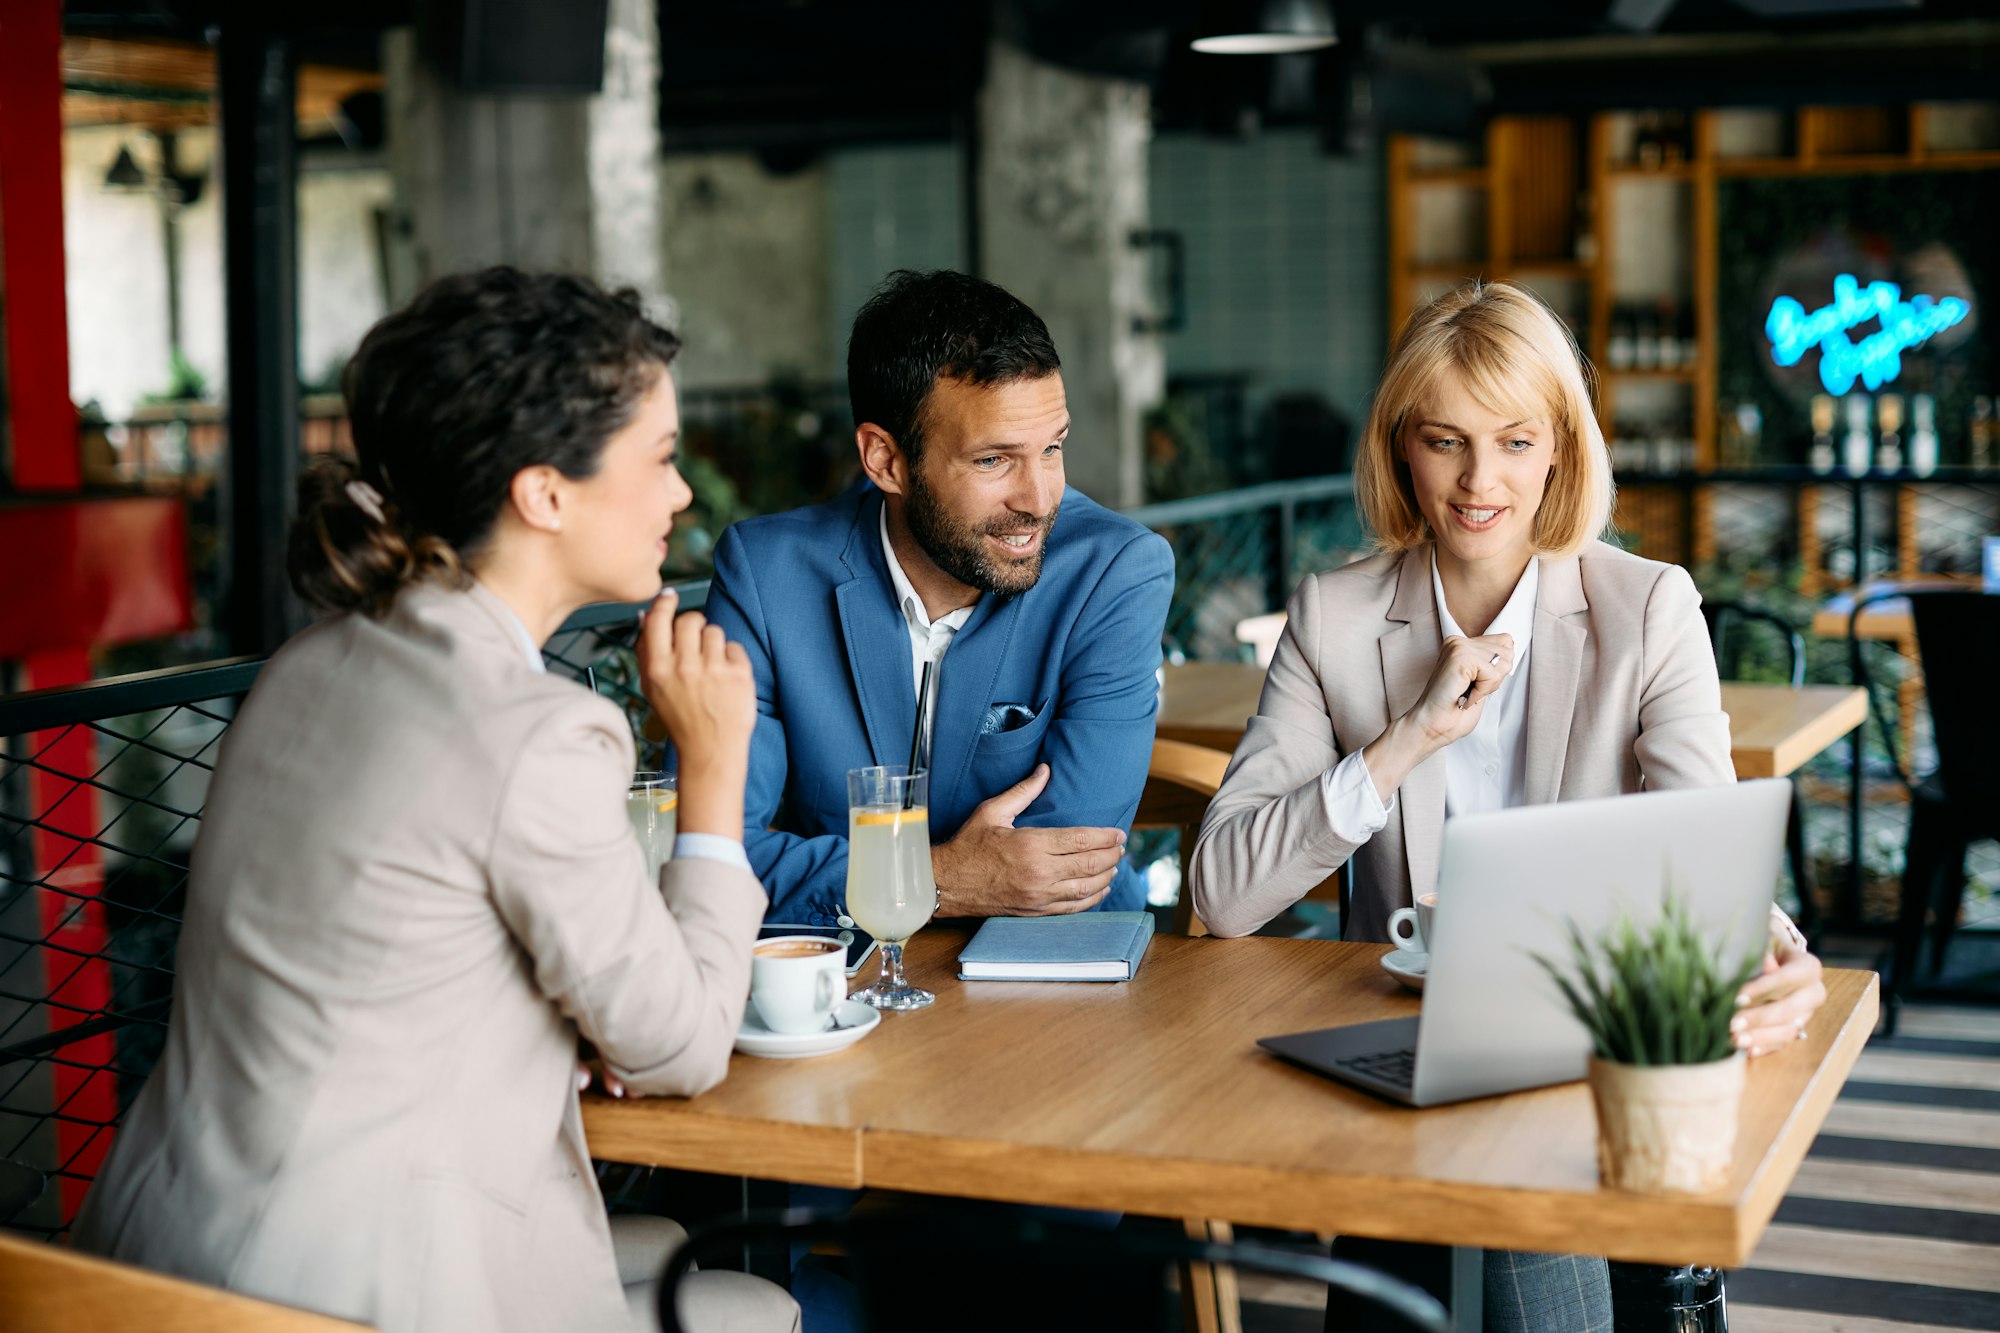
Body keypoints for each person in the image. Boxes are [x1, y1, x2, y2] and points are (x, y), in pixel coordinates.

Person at [72, 269, 798, 1333]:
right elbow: (681, 1045)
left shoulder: (310, 662)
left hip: (159, 1246)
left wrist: (571, 1019)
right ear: (543, 492)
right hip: (347, 1291)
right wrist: (714, 766)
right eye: (660, 459)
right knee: (755, 1305)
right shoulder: (535, 730)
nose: (684, 493)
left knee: (664, 1252)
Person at [1187, 280, 1827, 1333]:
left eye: (1514, 441)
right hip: (1398, 1059)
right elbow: (1222, 892)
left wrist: (1766, 938)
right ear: (1400, 447)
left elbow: (1698, 840)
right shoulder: (1335, 617)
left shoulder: (1647, 606)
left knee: (1522, 1199)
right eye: (1443, 441)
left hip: (1584, 1057)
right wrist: (1404, 740)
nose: (1478, 481)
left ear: (1560, 452)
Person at [704, 268, 1174, 926]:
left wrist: (868, 875)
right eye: (993, 460)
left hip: (1064, 981)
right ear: (886, 461)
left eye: (1053, 448)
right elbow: (718, 858)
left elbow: (1066, 868)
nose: (1039, 500)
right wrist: (949, 876)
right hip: (839, 993)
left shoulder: (1114, 570)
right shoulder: (767, 576)